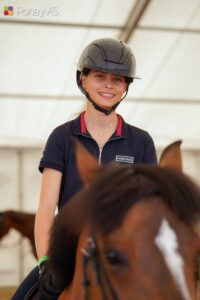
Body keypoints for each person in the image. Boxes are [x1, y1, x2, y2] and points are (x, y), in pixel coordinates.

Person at [12, 38, 157, 299]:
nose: (109, 85)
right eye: (100, 76)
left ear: (126, 86)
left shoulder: (142, 142)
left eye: (118, 78)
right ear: (83, 80)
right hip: (67, 252)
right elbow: (46, 208)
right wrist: (46, 260)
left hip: (123, 251)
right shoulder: (62, 137)